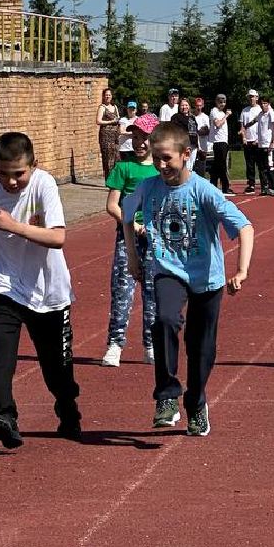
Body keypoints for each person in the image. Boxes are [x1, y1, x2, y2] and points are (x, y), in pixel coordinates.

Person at [126, 122, 254, 436]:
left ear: (186, 154)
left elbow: (245, 228)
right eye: (156, 158)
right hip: (167, 269)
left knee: (201, 348)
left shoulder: (204, 190)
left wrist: (241, 270)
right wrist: (132, 257)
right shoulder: (148, 188)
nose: (160, 165)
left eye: (167, 158)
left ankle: (196, 401)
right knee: (166, 319)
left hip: (207, 277)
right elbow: (126, 215)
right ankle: (167, 395)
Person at [0, 131, 81, 447]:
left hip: (49, 293)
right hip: (7, 286)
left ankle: (67, 405)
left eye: (19, 174)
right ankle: (4, 415)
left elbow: (58, 238)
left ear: (33, 166)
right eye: (4, 174)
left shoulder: (44, 185)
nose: (11, 182)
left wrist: (14, 226)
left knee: (55, 369)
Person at [102, 123, 159, 367]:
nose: (139, 143)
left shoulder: (161, 169)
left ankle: (151, 344)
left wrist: (154, 226)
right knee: (122, 290)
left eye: (145, 138)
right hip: (128, 236)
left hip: (155, 238)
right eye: (135, 137)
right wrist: (132, 225)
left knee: (153, 291)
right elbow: (112, 205)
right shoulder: (123, 168)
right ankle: (115, 344)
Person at [208, 93, 234, 194]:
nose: (222, 104)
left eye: (224, 102)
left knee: (217, 165)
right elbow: (218, 124)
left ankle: (213, 184)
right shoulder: (214, 111)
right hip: (218, 142)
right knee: (222, 165)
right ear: (216, 102)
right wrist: (227, 116)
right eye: (220, 102)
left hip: (223, 141)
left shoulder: (222, 113)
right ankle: (225, 187)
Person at [239, 90, 262, 194]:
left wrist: (259, 139)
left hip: (258, 141)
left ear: (257, 97)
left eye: (253, 96)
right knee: (250, 164)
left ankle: (264, 183)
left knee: (261, 164)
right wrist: (243, 137)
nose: (251, 98)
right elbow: (242, 126)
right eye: (249, 97)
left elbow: (263, 126)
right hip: (248, 140)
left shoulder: (261, 110)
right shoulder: (244, 111)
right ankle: (251, 184)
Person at [96, 88, 121, 178]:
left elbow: (118, 119)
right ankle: (108, 178)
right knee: (107, 158)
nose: (108, 96)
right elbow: (98, 121)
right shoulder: (102, 107)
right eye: (106, 95)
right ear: (103, 96)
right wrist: (110, 122)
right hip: (105, 136)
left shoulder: (115, 107)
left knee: (117, 157)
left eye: (109, 95)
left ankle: (116, 178)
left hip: (115, 136)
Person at [193, 96, 213, 178]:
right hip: (194, 145)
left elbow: (207, 131)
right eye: (197, 105)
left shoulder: (205, 117)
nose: (198, 107)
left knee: (202, 165)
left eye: (200, 105)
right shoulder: (192, 117)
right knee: (193, 165)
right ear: (195, 106)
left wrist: (199, 132)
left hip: (203, 145)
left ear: (203, 106)